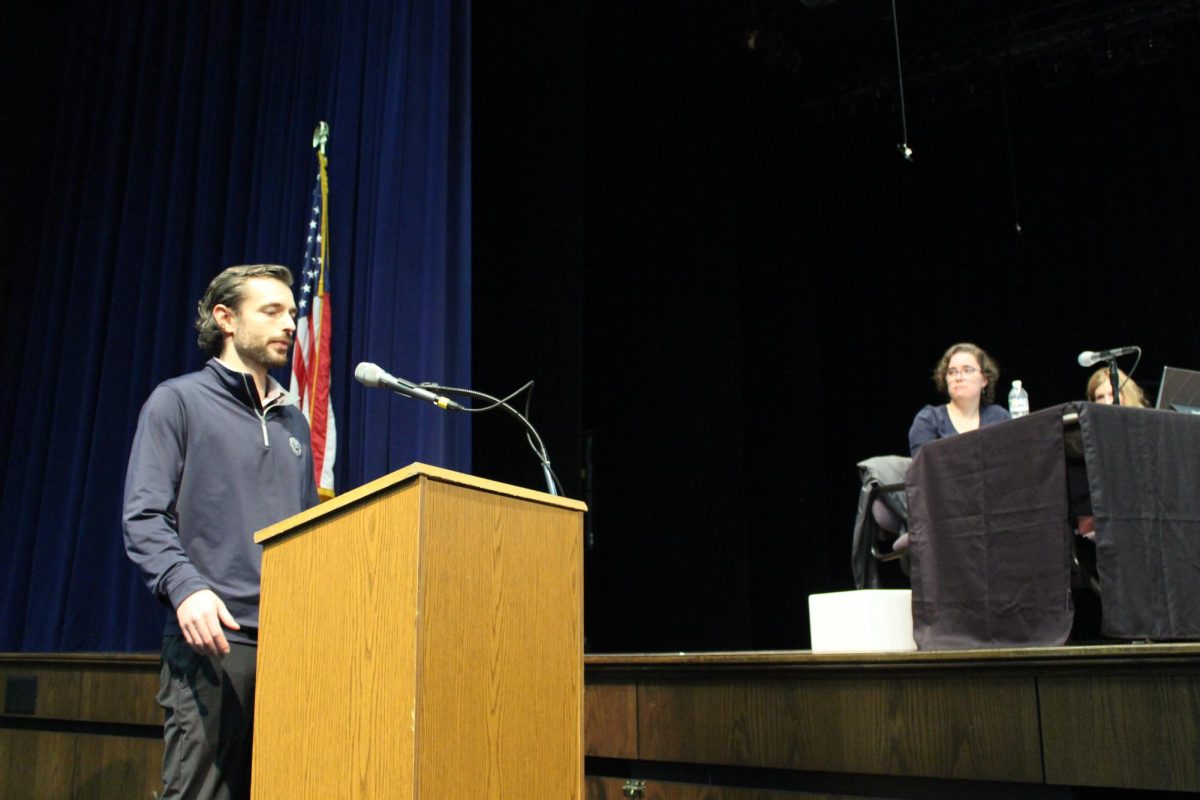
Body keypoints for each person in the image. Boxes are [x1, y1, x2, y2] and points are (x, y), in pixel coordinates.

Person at [124, 264, 319, 800]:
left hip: (290, 645)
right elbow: (143, 516)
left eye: (294, 315)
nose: (289, 326)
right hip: (214, 643)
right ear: (225, 318)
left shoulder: (294, 423)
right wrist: (186, 588)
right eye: (272, 311)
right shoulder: (178, 401)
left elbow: (306, 535)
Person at [908, 342, 1011, 456]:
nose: (958, 377)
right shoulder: (929, 419)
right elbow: (923, 468)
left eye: (967, 370)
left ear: (984, 379)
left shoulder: (999, 417)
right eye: (952, 372)